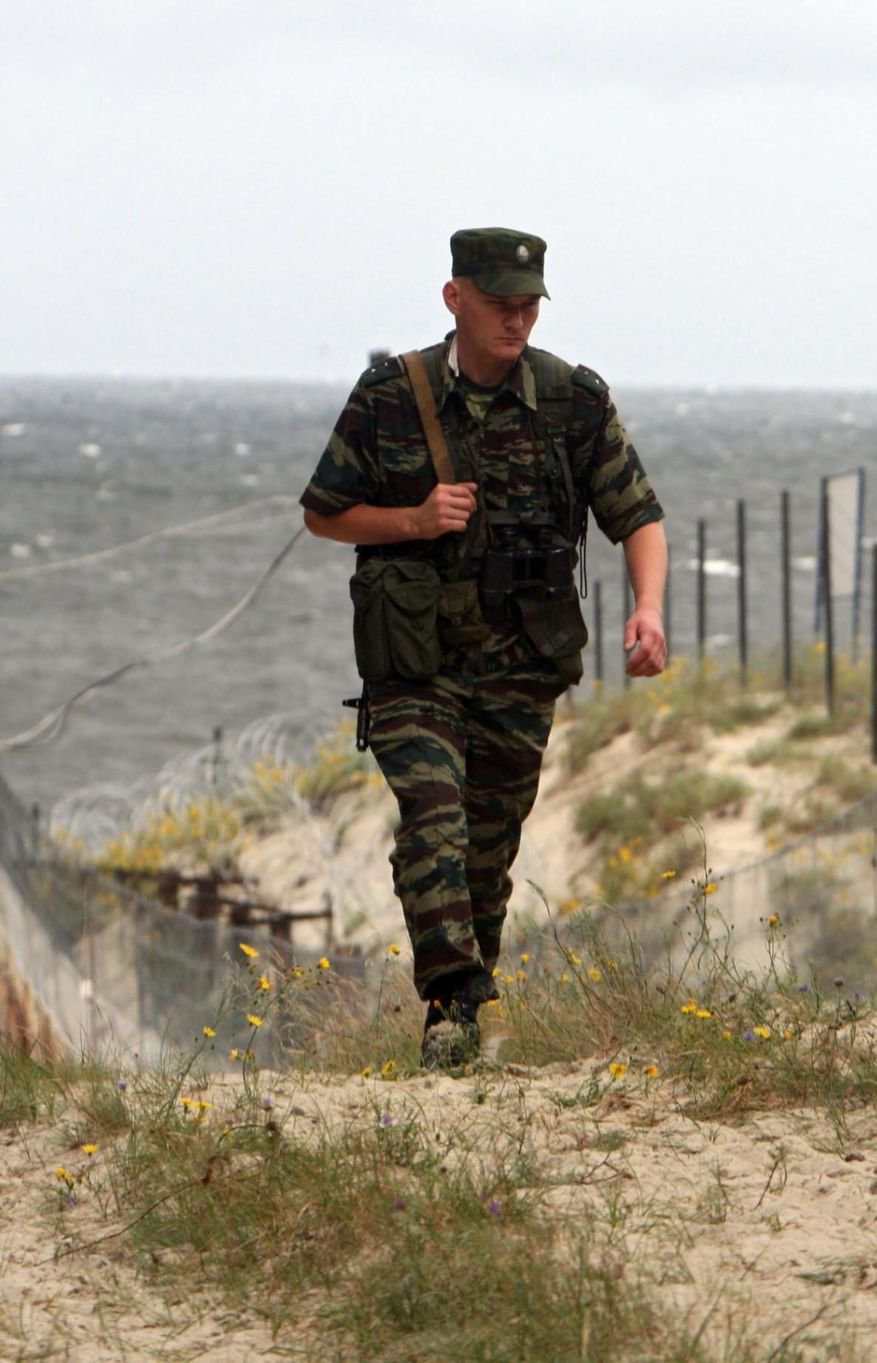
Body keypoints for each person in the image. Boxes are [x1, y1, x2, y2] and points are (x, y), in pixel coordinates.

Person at [301, 228, 668, 1069]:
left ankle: (457, 1023)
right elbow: (324, 512)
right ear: (454, 297)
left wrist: (648, 610)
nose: (517, 320)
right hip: (416, 664)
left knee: (487, 849)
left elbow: (638, 516)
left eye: (528, 305)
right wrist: (413, 522)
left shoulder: (572, 401)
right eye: (500, 303)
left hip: (519, 664)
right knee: (433, 816)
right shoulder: (392, 394)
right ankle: (454, 997)